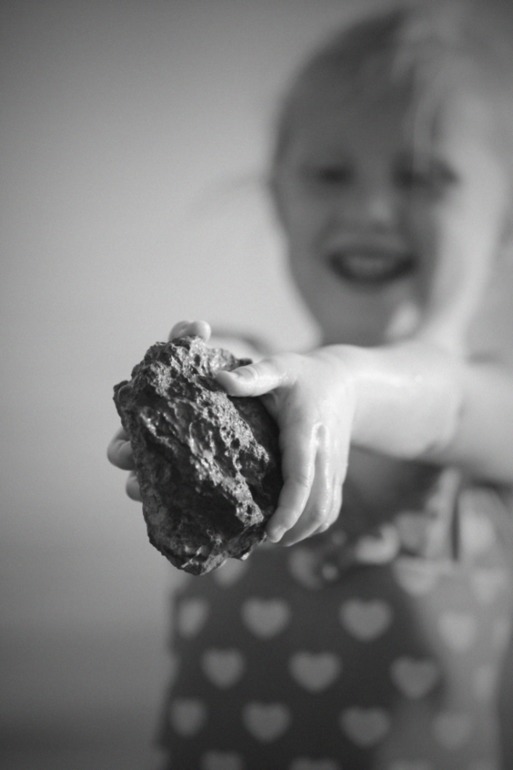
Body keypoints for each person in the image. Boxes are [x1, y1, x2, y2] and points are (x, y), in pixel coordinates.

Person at [108, 1, 513, 768]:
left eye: (422, 177)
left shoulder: (493, 414)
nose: (369, 209)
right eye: (330, 174)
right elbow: (242, 369)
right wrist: (206, 385)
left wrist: (342, 382)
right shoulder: (266, 385)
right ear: (278, 200)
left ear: (503, 227)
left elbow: (444, 403)